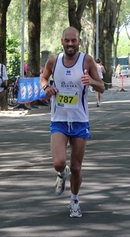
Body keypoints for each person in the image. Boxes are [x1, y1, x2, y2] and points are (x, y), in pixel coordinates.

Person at [40, 27, 104, 218]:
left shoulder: (87, 60)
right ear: (62, 41)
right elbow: (43, 78)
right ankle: (61, 174)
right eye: (67, 41)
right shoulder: (54, 60)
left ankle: (74, 200)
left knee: (76, 167)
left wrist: (90, 80)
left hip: (79, 120)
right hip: (58, 119)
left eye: (73, 41)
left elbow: (102, 85)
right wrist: (46, 87)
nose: (70, 44)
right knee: (59, 163)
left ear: (79, 41)